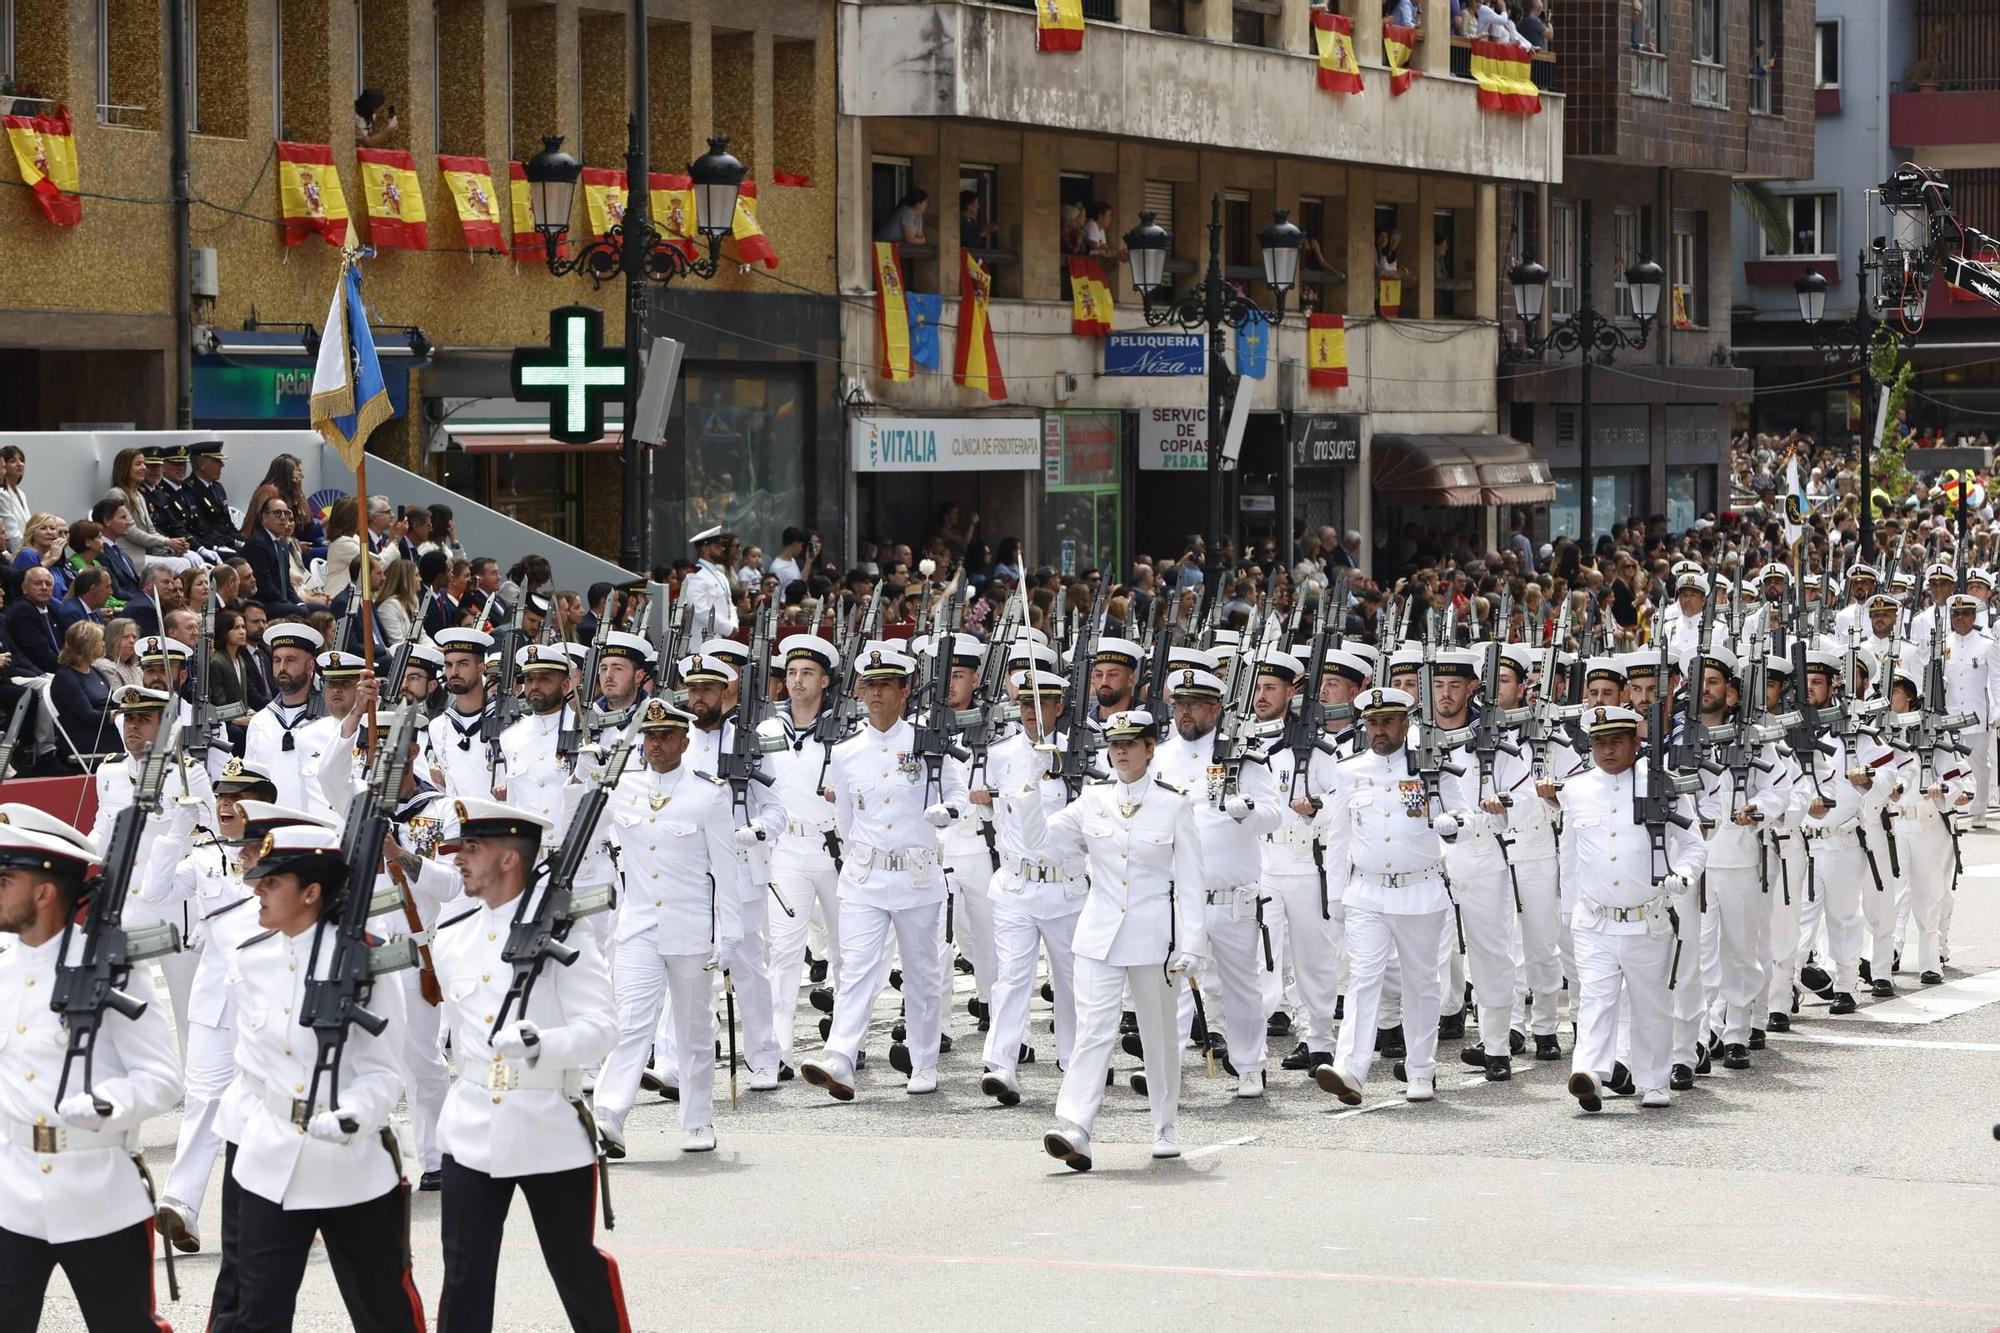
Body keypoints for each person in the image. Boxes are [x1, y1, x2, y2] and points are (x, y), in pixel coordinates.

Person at [415, 796, 628, 1329]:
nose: (458, 858)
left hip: (546, 1124)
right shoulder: (454, 935)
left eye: (472, 847)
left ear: (510, 858)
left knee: (574, 1268)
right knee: (463, 1276)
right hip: (471, 1130)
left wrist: (541, 1042)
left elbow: (602, 1029)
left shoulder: (563, 930)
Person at [227, 822, 423, 1330]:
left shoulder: (367, 958)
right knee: (257, 1314)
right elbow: (249, 1070)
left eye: (272, 882)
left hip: (351, 1164)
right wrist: (254, 1128)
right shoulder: (252, 960)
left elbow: (383, 1071)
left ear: (312, 892)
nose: (258, 889)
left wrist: (353, 1115)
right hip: (271, 1162)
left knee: (383, 1310)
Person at [0, 810, 181, 1331]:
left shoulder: (112, 966)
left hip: (99, 1194)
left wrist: (109, 1105)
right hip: (13, 1198)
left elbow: (162, 1076)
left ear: (44, 893)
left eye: (6, 879)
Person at [1004, 708, 1206, 1168]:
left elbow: (1190, 881)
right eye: (1115, 744)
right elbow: (1035, 841)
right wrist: (1032, 783)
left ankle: (1164, 1124)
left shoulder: (1174, 804)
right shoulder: (1091, 800)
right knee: (1094, 1031)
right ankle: (1074, 1126)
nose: (1120, 752)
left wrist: (1192, 943)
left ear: (1150, 750)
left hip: (1155, 939)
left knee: (1157, 1036)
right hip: (1098, 935)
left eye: (1130, 744)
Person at [799, 645, 968, 1100]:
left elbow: (959, 792)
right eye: (868, 685)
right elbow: (849, 823)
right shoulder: (848, 751)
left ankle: (923, 1060)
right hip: (866, 876)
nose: (874, 693)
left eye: (884, 685)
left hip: (916, 876)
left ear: (904, 690)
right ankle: (840, 1057)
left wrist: (947, 811)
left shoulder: (928, 741)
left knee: (921, 973)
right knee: (855, 969)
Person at [139, 770, 295, 1259]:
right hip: (215, 1000)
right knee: (205, 1099)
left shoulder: (287, 854)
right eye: (223, 797)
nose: (225, 805)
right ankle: (180, 1204)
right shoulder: (204, 857)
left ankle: (283, 1205)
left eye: (239, 798)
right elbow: (154, 893)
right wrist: (176, 831)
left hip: (270, 997)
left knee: (272, 1101)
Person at [595, 699, 744, 1155]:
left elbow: (726, 869)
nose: (655, 744)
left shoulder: (708, 794)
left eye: (665, 736)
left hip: (690, 928)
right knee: (630, 1024)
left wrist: (730, 933)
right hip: (640, 926)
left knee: (694, 1029)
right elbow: (582, 826)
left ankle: (698, 1119)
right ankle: (608, 1115)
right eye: (649, 737)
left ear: (685, 740)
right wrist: (582, 778)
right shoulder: (622, 788)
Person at [1314, 687, 1471, 1107]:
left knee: (1421, 983)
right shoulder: (1349, 771)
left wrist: (1451, 823)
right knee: (1364, 978)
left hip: (1420, 889)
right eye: (1372, 723)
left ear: (1406, 723)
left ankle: (1421, 1069)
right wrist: (1335, 898)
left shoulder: (1431, 766)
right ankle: (1350, 1068)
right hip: (1366, 890)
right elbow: (1338, 838)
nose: (1378, 731)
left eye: (1387, 722)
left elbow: (1465, 817)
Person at [1558, 703, 1709, 1111]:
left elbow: (1694, 845)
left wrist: (1682, 875)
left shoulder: (1661, 784)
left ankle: (1655, 1079)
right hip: (1594, 919)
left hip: (1647, 918)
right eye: (1599, 742)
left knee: (1650, 1003)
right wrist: (1567, 911)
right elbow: (1569, 856)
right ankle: (1589, 1071)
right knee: (1596, 998)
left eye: (1616, 742)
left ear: (1636, 743)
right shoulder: (1575, 790)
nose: (1607, 750)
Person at [965, 668, 1086, 1106]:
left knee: (1071, 981)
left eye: (1042, 706)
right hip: (1016, 883)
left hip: (1066, 885)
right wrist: (983, 800)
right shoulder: (1000, 754)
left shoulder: (1080, 753)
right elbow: (984, 815)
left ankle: (1075, 1063)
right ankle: (1001, 1064)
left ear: (1059, 707)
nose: (1032, 715)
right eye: (1024, 706)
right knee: (1011, 978)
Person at [242, 493, 319, 618]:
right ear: (264, 517)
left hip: (282, 601)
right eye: (278, 513)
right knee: (303, 612)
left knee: (322, 610)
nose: (284, 518)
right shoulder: (258, 544)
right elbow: (264, 587)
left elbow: (288, 586)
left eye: (287, 513)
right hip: (264, 603)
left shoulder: (282, 545)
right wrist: (290, 605)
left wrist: (298, 603)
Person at [49, 620, 114, 757]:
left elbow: (114, 700)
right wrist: (118, 716)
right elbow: (88, 716)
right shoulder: (65, 678)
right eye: (100, 640)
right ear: (87, 645)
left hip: (108, 730)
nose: (103, 643)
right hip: (87, 738)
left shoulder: (96, 671)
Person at [682, 526, 741, 636]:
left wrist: (734, 626)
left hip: (721, 639)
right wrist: (728, 629)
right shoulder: (695, 575)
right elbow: (700, 610)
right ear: (705, 549)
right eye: (718, 546)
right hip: (702, 643)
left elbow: (730, 604)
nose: (723, 549)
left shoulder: (720, 575)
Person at [6, 566, 63, 676]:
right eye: (38, 583)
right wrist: (67, 670)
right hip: (38, 672)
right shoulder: (22, 611)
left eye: (48, 584)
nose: (44, 587)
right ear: (24, 588)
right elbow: (39, 654)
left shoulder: (52, 610)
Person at [12, 513, 71, 602]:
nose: (49, 532)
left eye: (52, 528)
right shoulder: (27, 554)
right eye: (43, 528)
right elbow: (33, 594)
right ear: (32, 532)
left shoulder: (54, 556)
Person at [373, 556, 421, 647]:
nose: (420, 579)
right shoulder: (388, 607)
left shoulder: (413, 602)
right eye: (416, 575)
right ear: (405, 580)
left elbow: (421, 635)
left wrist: (436, 649)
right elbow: (397, 643)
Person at [53, 567, 110, 633]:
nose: (111, 592)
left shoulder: (94, 610)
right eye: (107, 587)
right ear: (93, 589)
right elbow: (83, 642)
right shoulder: (71, 614)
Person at [96, 615, 143, 690]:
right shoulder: (106, 667)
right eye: (126, 636)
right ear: (112, 640)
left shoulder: (135, 667)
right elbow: (120, 699)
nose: (132, 641)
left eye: (134, 637)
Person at [0, 444, 28, 553]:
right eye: (13, 461)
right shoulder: (1, 494)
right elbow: (11, 533)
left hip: (27, 548)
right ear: (3, 465)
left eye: (21, 460)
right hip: (15, 552)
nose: (20, 464)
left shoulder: (21, 493)